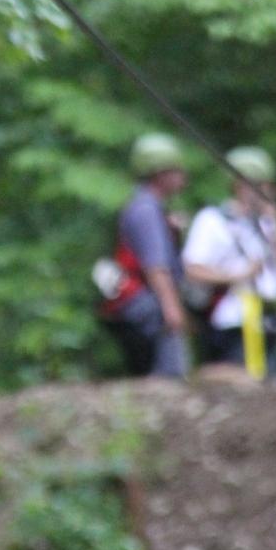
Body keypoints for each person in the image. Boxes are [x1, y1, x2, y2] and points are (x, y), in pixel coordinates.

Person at [181, 146, 276, 376]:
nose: (269, 192)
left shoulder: (267, 224)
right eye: (263, 186)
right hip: (232, 324)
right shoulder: (212, 221)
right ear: (241, 186)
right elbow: (192, 269)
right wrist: (239, 275)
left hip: (266, 320)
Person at [99, 133, 192, 379]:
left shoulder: (145, 207)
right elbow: (156, 266)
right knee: (170, 374)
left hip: (138, 301)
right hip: (147, 304)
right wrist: (172, 309)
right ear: (160, 173)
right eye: (176, 170)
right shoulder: (147, 210)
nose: (182, 176)